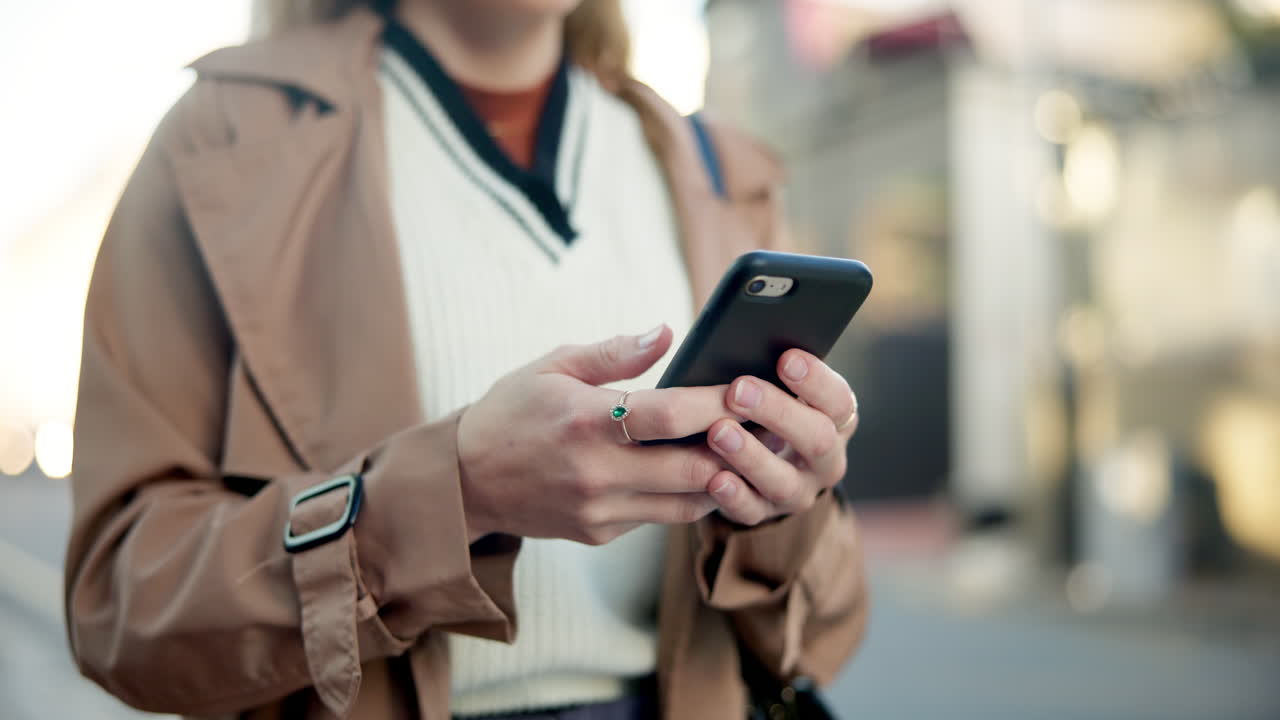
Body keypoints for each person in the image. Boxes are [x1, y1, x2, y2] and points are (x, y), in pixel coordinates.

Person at [63, 1, 868, 718]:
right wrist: (454, 493)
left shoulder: (716, 170)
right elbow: (120, 610)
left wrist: (778, 506)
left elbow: (828, 635)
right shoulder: (222, 137)